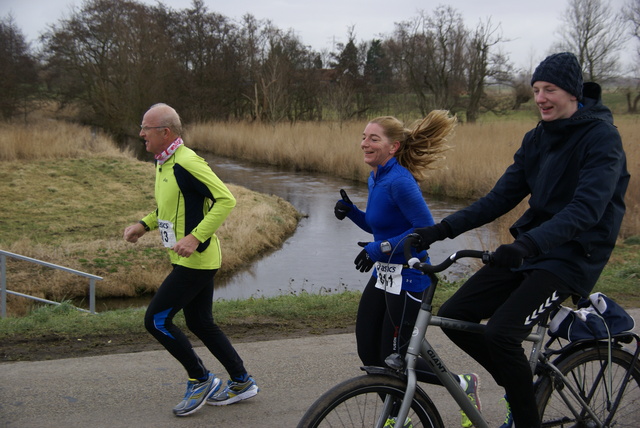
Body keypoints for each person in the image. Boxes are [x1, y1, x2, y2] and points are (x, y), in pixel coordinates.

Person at [413, 52, 629, 428]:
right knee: (453, 316)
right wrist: (438, 230)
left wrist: (526, 245)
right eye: (536, 90)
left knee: (501, 333)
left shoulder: (602, 138)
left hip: (573, 255)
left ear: (574, 93)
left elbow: (586, 210)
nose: (541, 98)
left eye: (550, 89)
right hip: (533, 248)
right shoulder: (537, 138)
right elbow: (499, 198)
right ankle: (521, 389)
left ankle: (524, 417)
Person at [334, 111, 481, 426]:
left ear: (393, 147)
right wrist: (352, 213)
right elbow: (380, 226)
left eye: (374, 138)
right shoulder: (376, 177)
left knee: (396, 358)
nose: (364, 143)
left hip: (412, 279)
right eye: (363, 137)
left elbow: (425, 229)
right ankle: (395, 415)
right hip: (385, 275)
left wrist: (380, 249)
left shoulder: (400, 181)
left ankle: (463, 384)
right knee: (368, 351)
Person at [123, 103, 259, 417]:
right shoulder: (164, 162)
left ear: (165, 132)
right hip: (183, 259)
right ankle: (241, 381)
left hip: (197, 260)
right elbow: (169, 210)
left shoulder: (186, 162)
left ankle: (200, 379)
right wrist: (142, 225)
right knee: (200, 322)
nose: (141, 133)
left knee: (156, 321)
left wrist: (196, 236)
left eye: (146, 128)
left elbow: (226, 199)